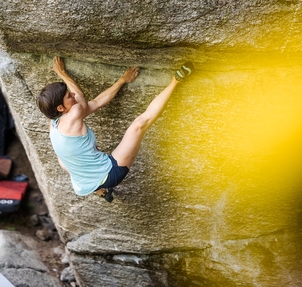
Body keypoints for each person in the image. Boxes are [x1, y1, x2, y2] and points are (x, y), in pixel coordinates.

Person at [37, 56, 194, 202]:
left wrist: (122, 80)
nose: (72, 94)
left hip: (81, 182)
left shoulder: (53, 124)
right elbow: (80, 94)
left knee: (62, 160)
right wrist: (62, 73)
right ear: (60, 107)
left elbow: (97, 102)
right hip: (110, 173)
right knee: (139, 125)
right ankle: (175, 81)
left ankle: (100, 190)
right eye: (68, 96)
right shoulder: (75, 113)